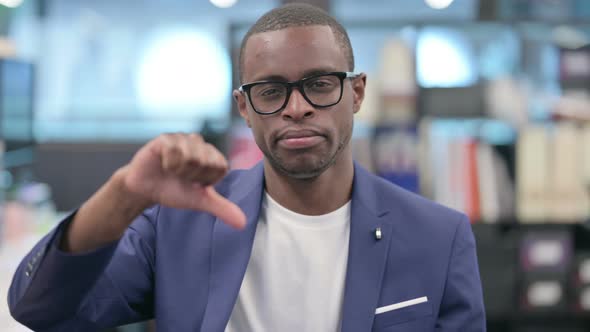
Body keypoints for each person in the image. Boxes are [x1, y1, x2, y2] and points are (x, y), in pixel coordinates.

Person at [8, 3, 485, 331]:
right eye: (271, 91)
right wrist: (126, 192)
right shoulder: (180, 225)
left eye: (319, 84)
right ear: (244, 106)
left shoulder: (438, 238)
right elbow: (41, 309)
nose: (296, 108)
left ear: (356, 92)